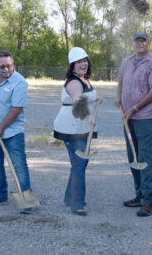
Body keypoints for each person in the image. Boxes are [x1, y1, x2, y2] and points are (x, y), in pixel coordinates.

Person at [115, 31, 152, 217]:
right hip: (128, 118)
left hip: (145, 117)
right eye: (137, 41)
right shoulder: (127, 61)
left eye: (143, 41)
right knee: (132, 156)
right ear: (133, 43)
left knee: (144, 158)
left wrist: (134, 108)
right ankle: (139, 194)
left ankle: (147, 201)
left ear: (148, 43)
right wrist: (118, 98)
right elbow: (120, 80)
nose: (140, 44)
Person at [0, 50, 34, 213]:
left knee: (19, 165)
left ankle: (27, 199)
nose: (5, 69)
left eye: (8, 65)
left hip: (12, 132)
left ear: (13, 64)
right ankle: (1, 195)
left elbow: (16, 109)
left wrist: (1, 129)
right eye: (1, 66)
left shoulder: (20, 83)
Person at [53, 47, 101, 216]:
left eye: (85, 60)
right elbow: (77, 101)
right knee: (79, 163)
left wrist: (96, 99)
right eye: (79, 61)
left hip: (81, 127)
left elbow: (87, 97)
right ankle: (77, 204)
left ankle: (70, 197)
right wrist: (89, 118)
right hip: (71, 128)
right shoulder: (74, 82)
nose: (83, 64)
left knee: (79, 163)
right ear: (72, 65)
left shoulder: (84, 80)